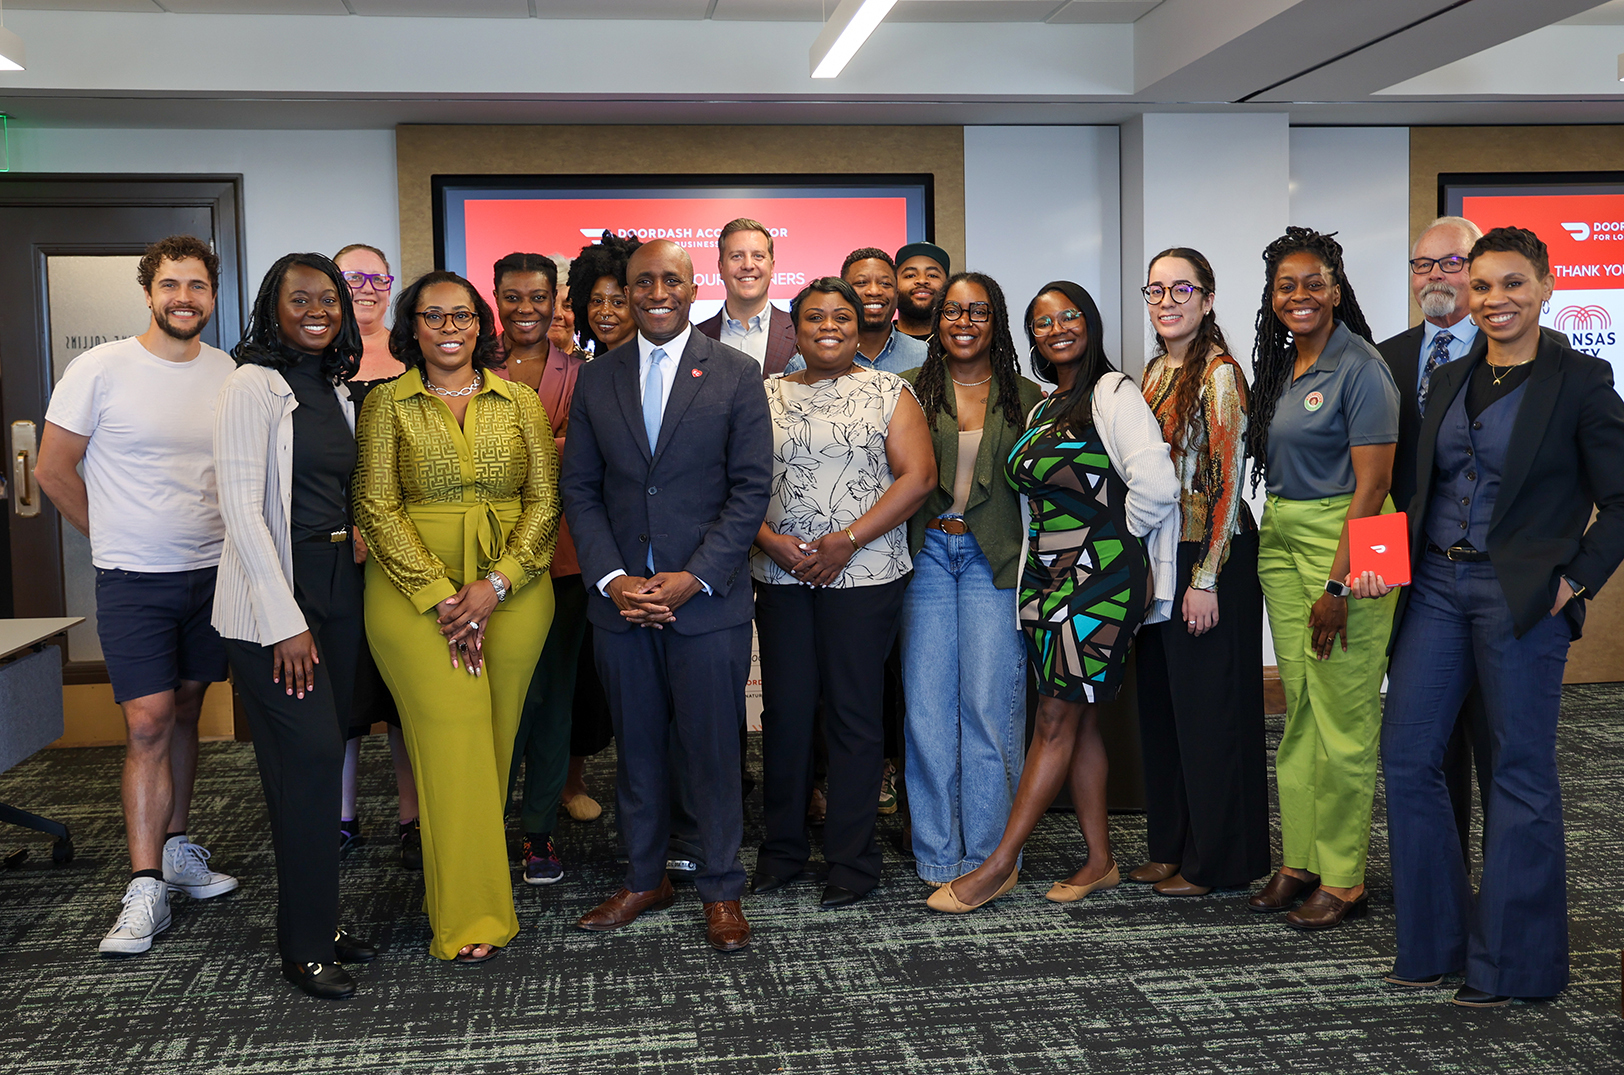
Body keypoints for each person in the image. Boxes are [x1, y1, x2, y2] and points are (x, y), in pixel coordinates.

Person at [1356, 226, 1624, 1007]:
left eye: (1512, 284)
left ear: (1545, 285)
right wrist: (1373, 566)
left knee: (1519, 771)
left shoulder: (1581, 380)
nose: (1495, 300)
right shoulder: (1448, 378)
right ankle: (1435, 941)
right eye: (1482, 287)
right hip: (1436, 588)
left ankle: (1514, 964)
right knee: (1407, 759)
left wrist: (1576, 582)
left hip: (1523, 600)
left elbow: (1620, 501)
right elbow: (1416, 490)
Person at [927, 279, 1179, 913]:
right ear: (1029, 335)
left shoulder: (1111, 392)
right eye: (1042, 322)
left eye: (1069, 316)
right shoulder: (1044, 405)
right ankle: (1100, 861)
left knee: (1053, 720)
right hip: (1045, 583)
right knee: (1080, 717)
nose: (1057, 327)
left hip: (1097, 581)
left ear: (1089, 323)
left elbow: (1156, 482)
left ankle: (998, 865)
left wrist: (1118, 548)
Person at [561, 239, 771, 952]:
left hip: (705, 602)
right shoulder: (597, 380)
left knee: (714, 752)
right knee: (639, 750)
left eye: (670, 280)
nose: (656, 291)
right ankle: (645, 875)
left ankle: (721, 888)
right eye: (642, 281)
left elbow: (750, 491)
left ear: (692, 287)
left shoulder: (738, 375)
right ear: (624, 290)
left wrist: (693, 576)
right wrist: (615, 578)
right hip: (621, 605)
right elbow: (580, 491)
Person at [37, 235, 241, 958]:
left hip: (212, 572)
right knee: (148, 721)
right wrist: (112, 534)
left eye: (198, 285)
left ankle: (179, 845)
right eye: (171, 284)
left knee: (187, 706)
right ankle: (145, 882)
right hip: (134, 579)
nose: (185, 297)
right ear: (149, 292)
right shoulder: (100, 368)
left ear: (213, 294)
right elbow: (53, 469)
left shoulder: (227, 372)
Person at [353, 270, 560, 963]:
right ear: (412, 326)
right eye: (434, 316)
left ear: (481, 325)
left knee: (491, 748)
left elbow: (544, 502)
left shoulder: (521, 401)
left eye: (462, 316)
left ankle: (459, 874)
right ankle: (471, 913)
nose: (449, 328)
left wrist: (495, 584)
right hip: (416, 596)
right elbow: (375, 506)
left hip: (515, 586)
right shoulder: (385, 404)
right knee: (453, 739)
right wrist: (443, 594)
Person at [211, 252, 378, 999]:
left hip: (340, 590)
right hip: (276, 605)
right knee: (309, 765)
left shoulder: (332, 386)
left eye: (329, 300)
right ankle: (306, 945)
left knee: (303, 771)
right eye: (299, 298)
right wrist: (286, 622)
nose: (317, 310)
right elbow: (243, 510)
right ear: (271, 310)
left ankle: (316, 920)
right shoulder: (253, 384)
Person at [750, 277, 935, 908]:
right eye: (813, 317)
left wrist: (847, 539)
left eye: (841, 317)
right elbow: (733, 478)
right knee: (787, 716)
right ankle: (781, 852)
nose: (828, 326)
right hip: (780, 573)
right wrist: (768, 539)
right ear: (794, 330)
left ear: (859, 327)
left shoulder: (890, 390)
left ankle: (852, 861)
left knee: (856, 717)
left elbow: (918, 478)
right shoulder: (765, 394)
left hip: (863, 575)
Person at [1243, 227, 1400, 930]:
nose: (1300, 295)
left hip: (1358, 539)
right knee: (1302, 707)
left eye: (1313, 283)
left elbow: (1375, 487)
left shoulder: (1361, 365)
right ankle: (1301, 858)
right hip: (1283, 533)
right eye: (1287, 285)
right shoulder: (1283, 364)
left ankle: (1344, 876)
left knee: (1347, 713)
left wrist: (1339, 588)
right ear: (1272, 297)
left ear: (1336, 290)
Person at [896, 273, 1044, 892]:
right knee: (928, 711)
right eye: (952, 310)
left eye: (977, 311)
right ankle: (936, 856)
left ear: (996, 320)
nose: (963, 321)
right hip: (928, 554)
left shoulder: (1029, 396)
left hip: (996, 560)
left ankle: (989, 859)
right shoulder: (904, 392)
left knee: (991, 707)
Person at [1131, 248, 1270, 896]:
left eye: (1181, 288)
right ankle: (1172, 845)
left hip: (1210, 556)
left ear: (1208, 299)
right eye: (1155, 290)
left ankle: (1217, 861)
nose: (1167, 300)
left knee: (1211, 715)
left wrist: (1205, 578)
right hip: (1163, 554)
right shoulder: (1155, 369)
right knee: (1166, 710)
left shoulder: (1220, 376)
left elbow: (1226, 484)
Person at [1374, 216, 1491, 869]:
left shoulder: (1530, 352)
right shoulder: (1386, 358)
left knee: (1495, 744)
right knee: (1422, 744)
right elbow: (1378, 481)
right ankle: (1439, 878)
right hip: (1411, 584)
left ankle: (1495, 889)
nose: (1435, 276)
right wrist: (1378, 573)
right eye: (1423, 264)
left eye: (1451, 263)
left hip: (1499, 582)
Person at [488, 251, 590, 885]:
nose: (525, 309)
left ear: (557, 302)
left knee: (552, 699)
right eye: (512, 296)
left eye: (538, 297)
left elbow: (587, 453)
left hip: (564, 559)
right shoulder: (470, 363)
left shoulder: (583, 372)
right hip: (482, 563)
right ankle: (483, 820)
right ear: (494, 299)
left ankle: (540, 832)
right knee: (492, 699)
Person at [332, 242, 420, 871]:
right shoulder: (316, 357)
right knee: (343, 691)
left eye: (376, 276)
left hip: (408, 546)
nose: (365, 286)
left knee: (404, 692)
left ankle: (412, 818)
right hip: (336, 549)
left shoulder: (414, 352)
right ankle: (341, 818)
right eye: (351, 276)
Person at [783, 248, 926, 377]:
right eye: (862, 283)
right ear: (844, 292)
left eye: (885, 284)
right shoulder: (803, 363)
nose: (874, 291)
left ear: (897, 293)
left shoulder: (923, 355)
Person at [695, 218, 798, 376]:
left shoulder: (800, 332)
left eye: (758, 256)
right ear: (721, 268)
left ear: (772, 267)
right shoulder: (696, 339)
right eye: (737, 256)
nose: (748, 265)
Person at [894, 241, 951, 341]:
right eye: (910, 275)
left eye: (932, 275)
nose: (922, 280)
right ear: (894, 285)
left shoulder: (958, 345)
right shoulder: (878, 344)